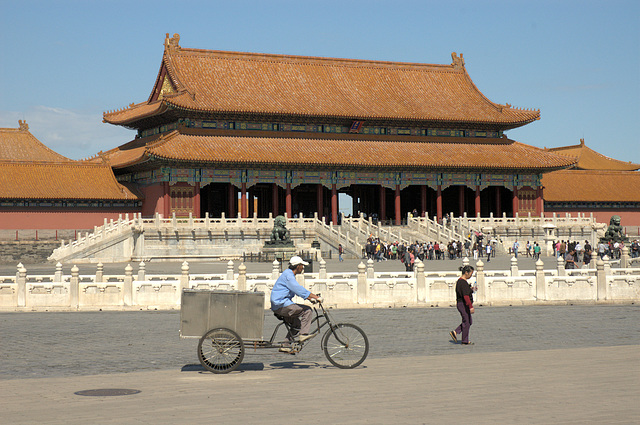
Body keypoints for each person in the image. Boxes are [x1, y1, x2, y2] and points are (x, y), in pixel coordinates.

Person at [270, 256, 321, 352]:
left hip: (280, 305)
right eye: (302, 265)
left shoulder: (288, 274)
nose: (303, 267)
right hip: (281, 305)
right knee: (308, 310)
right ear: (297, 266)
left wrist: (310, 298)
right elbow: (298, 289)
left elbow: (297, 291)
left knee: (297, 325)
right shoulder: (288, 276)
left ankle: (285, 345)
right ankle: (303, 335)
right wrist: (316, 297)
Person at [449, 265, 475, 345]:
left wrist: (471, 290)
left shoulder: (461, 282)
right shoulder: (462, 282)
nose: (471, 275)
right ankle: (464, 340)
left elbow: (466, 292)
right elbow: (465, 296)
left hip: (462, 304)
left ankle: (455, 332)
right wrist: (470, 307)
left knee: (468, 321)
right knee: (466, 321)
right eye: (471, 273)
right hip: (463, 304)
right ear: (466, 273)